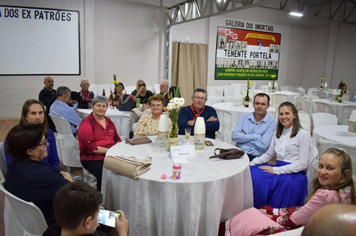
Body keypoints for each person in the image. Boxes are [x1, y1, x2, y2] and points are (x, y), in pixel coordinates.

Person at [219, 148, 355, 236]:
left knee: (249, 215)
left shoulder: (325, 196)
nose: (322, 172)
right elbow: (305, 211)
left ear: (344, 174)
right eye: (321, 166)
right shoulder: (347, 191)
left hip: (298, 231)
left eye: (329, 168)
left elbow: (295, 219)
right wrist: (274, 211)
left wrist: (271, 214)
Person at [4, 123, 72, 226]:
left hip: (35, 222)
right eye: (43, 143)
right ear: (30, 151)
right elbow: (78, 195)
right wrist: (68, 178)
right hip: (62, 223)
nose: (47, 145)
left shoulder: (13, 167)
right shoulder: (44, 177)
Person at [250, 102, 310, 208]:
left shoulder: (303, 134)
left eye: (287, 113)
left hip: (294, 173)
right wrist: (252, 163)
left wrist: (276, 171)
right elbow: (269, 154)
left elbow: (303, 164)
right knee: (252, 172)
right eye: (281, 114)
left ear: (294, 115)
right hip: (278, 166)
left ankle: (266, 211)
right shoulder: (278, 132)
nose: (283, 117)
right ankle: (254, 209)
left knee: (261, 179)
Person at [43, 181, 128, 236]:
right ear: (87, 222)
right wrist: (123, 232)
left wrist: (92, 222)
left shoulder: (51, 230)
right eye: (97, 215)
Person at [78, 96, 121, 191]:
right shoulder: (86, 123)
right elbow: (91, 148)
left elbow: (117, 139)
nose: (101, 108)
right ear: (92, 106)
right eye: (98, 105)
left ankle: (115, 200)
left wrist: (118, 150)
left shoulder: (109, 122)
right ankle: (101, 201)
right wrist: (111, 151)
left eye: (104, 106)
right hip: (92, 158)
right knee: (106, 175)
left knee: (124, 171)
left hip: (110, 155)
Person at [4, 99, 60, 169]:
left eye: (40, 113)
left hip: (47, 174)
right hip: (26, 176)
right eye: (33, 113)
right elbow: (12, 166)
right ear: (25, 116)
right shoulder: (15, 137)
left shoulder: (48, 133)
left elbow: (54, 161)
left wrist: (54, 175)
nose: (38, 117)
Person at [231, 93, 276, 161]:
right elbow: (234, 137)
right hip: (238, 154)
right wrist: (257, 136)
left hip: (257, 157)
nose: (259, 106)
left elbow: (264, 145)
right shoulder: (244, 117)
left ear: (268, 106)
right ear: (253, 104)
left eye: (263, 104)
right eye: (257, 103)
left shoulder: (271, 123)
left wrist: (244, 136)